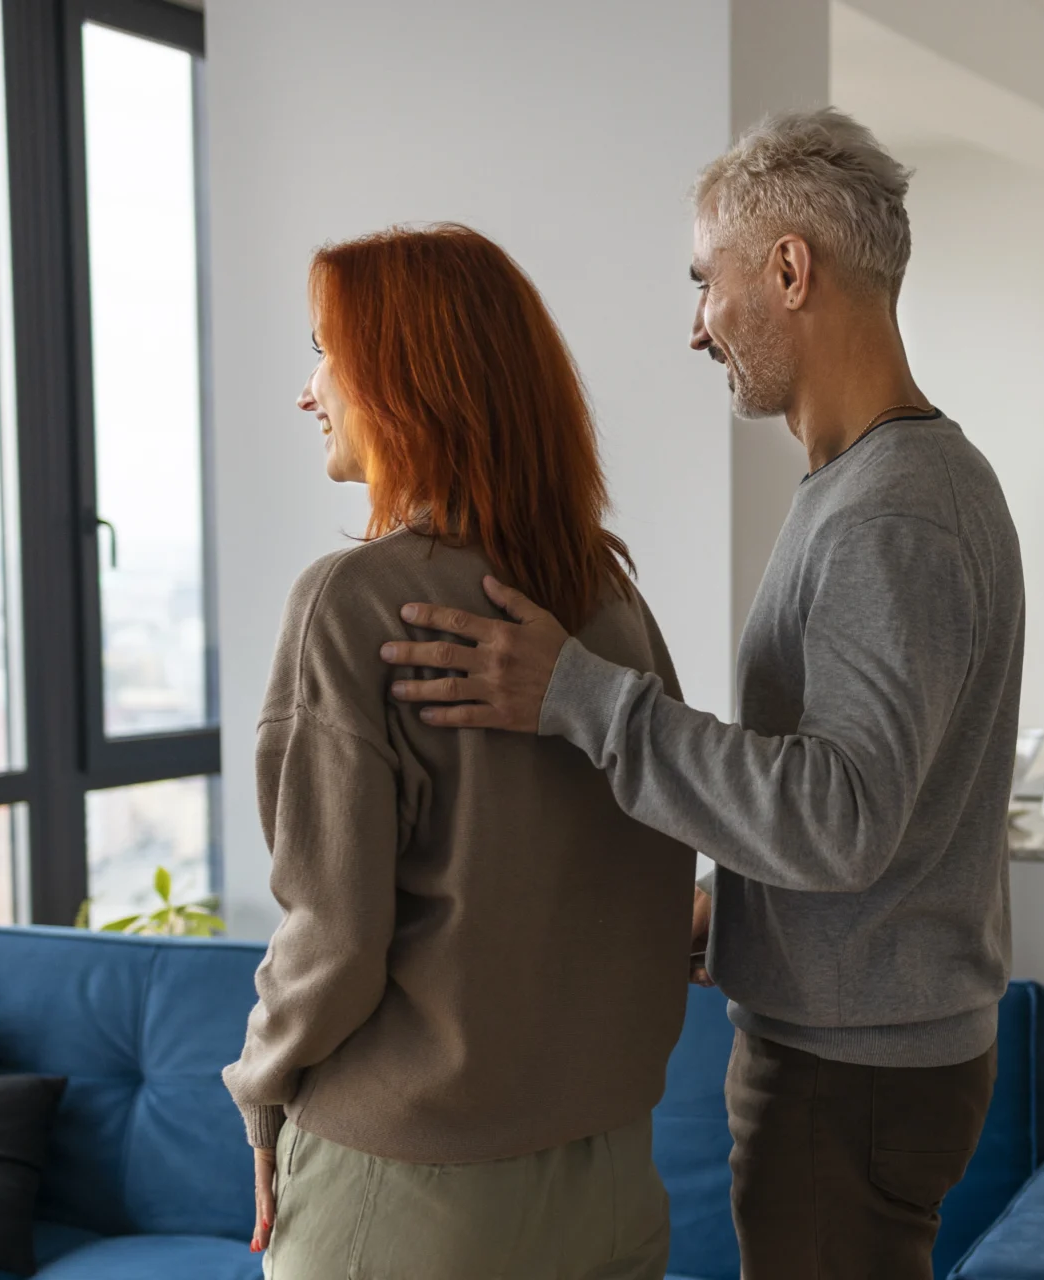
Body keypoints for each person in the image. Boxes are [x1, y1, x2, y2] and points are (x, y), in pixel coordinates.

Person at [380, 109, 1025, 1278]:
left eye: (703, 282)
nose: (695, 327)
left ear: (789, 271)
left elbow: (840, 816)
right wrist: (736, 917)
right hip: (863, 1051)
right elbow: (878, 813)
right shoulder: (873, 485)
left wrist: (581, 696)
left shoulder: (893, 510)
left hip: (852, 1073)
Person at [223, 224, 694, 1280]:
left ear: (403, 380)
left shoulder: (349, 603)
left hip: (407, 1196)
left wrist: (260, 1086)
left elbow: (333, 934)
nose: (309, 392)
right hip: (611, 1180)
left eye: (326, 354)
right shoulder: (612, 603)